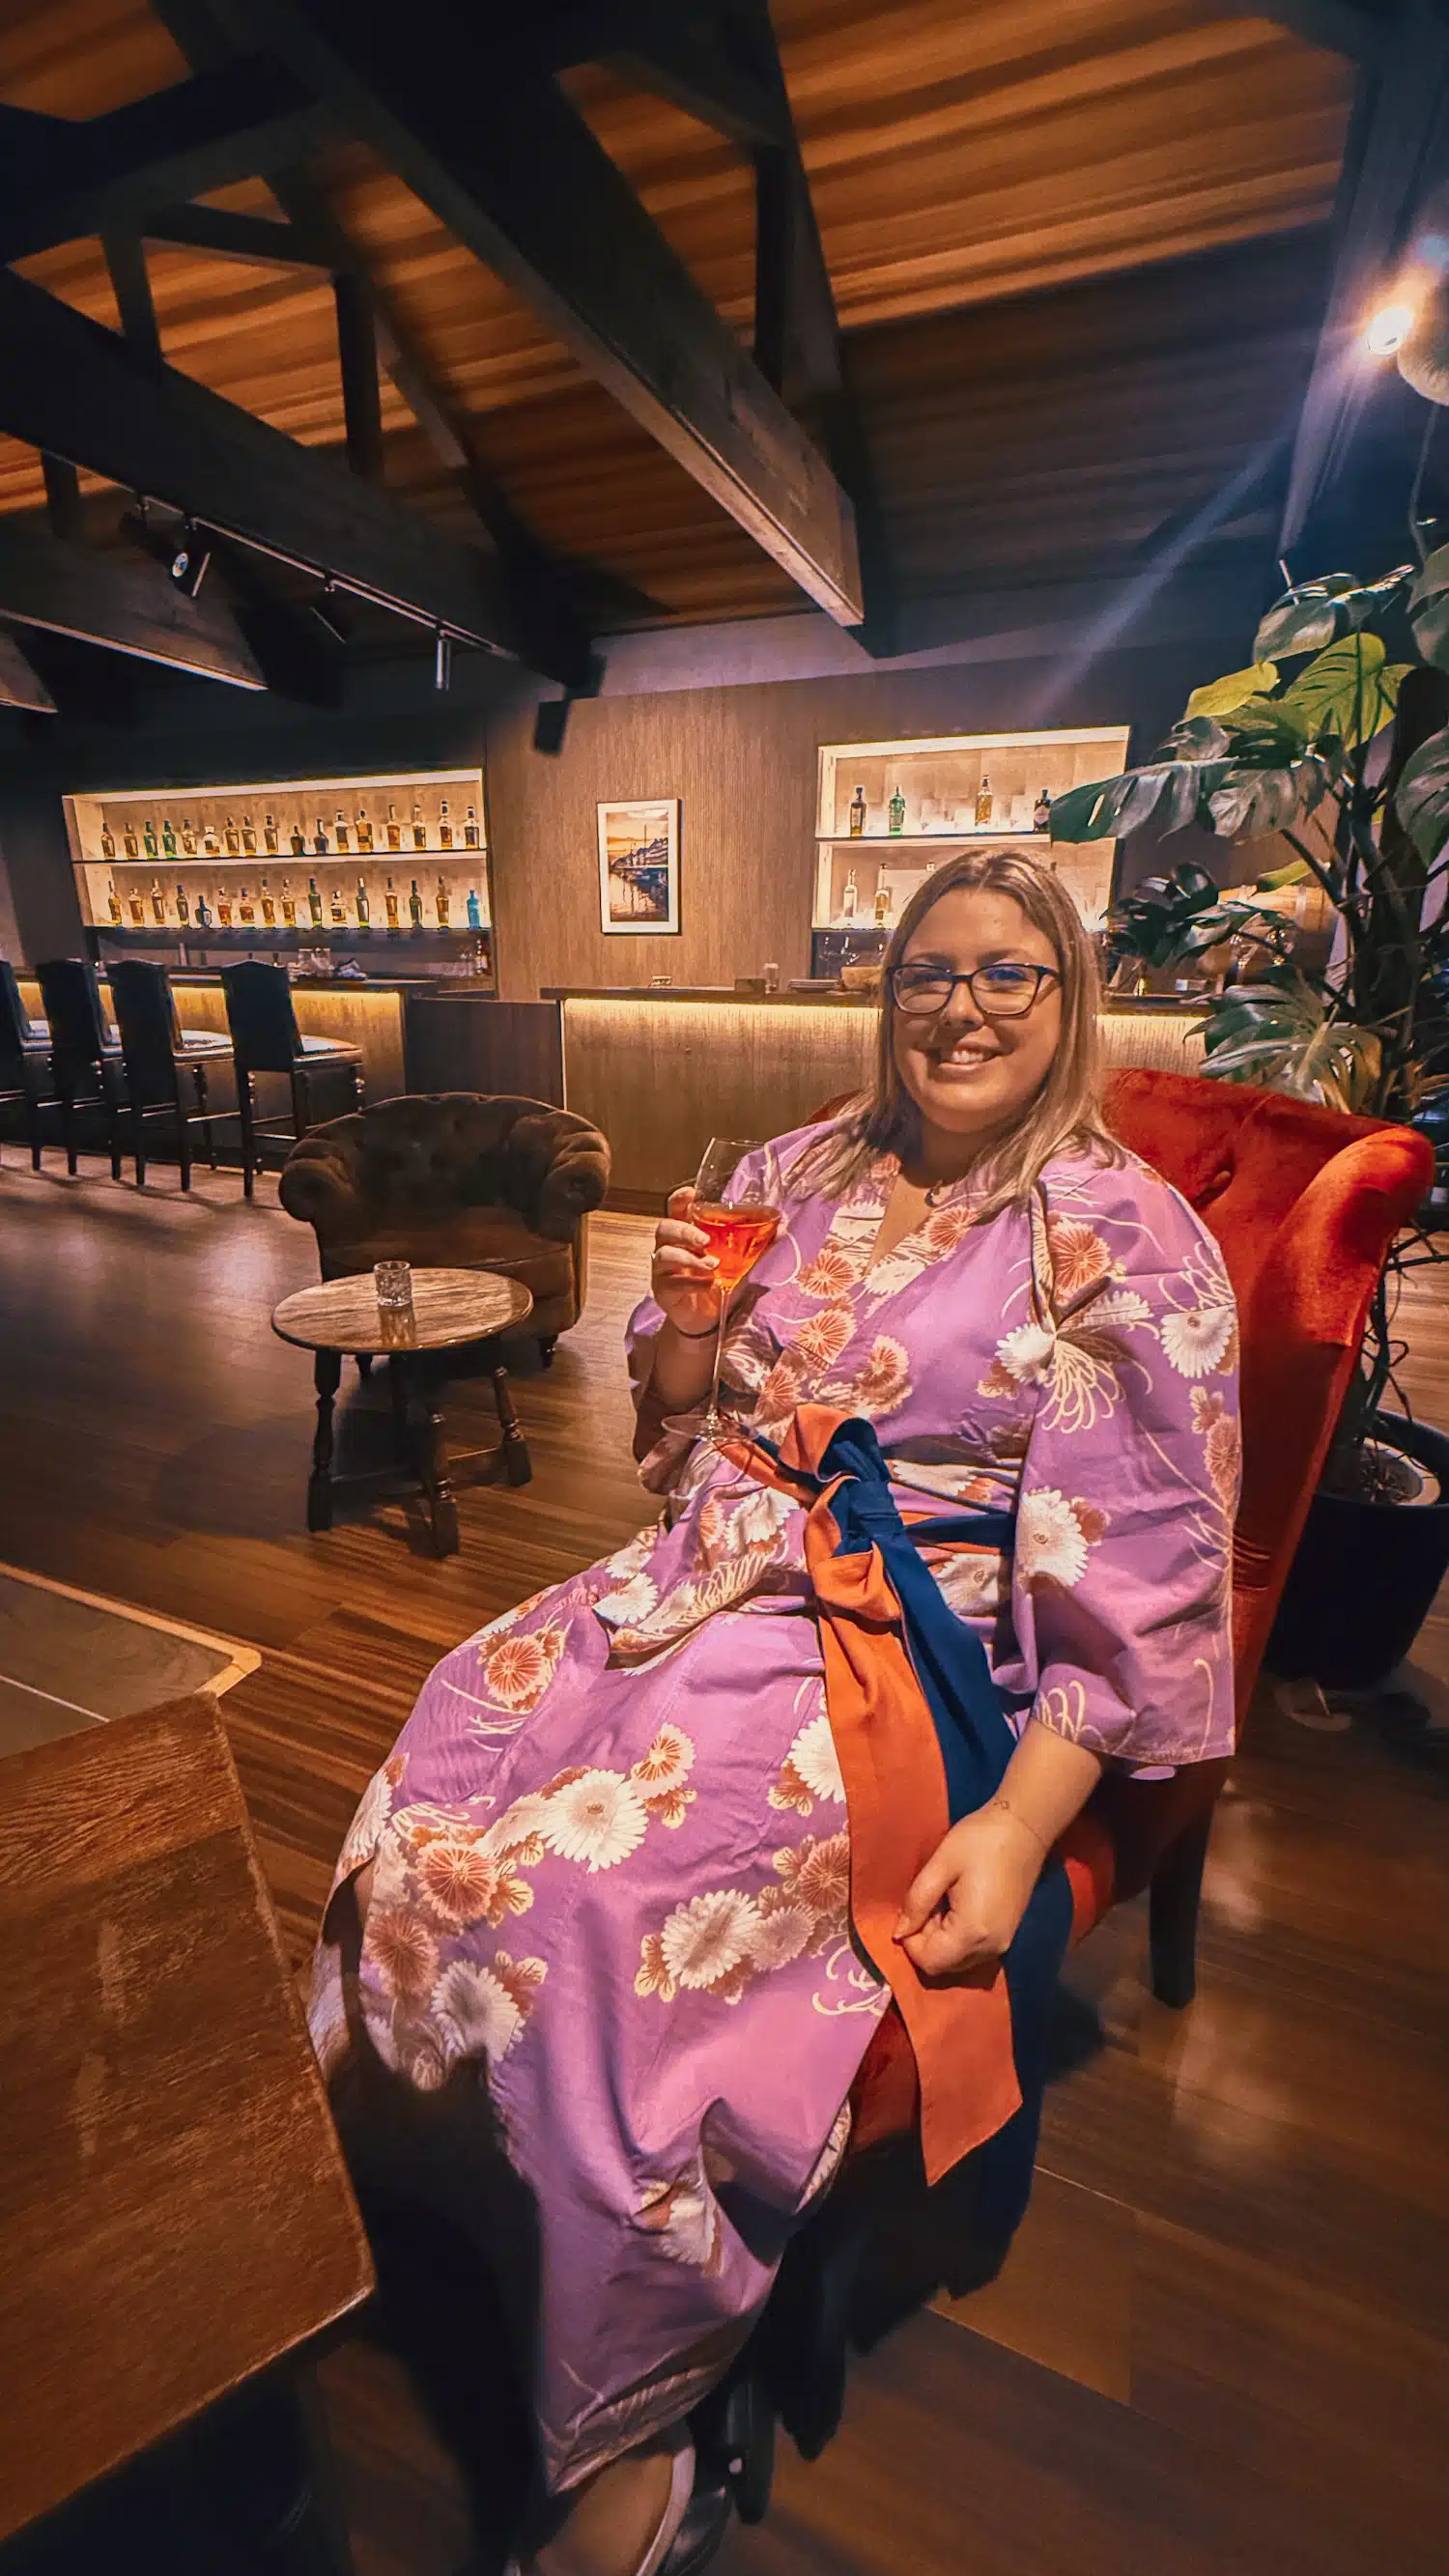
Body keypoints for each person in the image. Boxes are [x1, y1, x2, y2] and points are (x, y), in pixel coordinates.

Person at [308, 849, 1238, 2576]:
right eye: (927, 974)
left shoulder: (1117, 1239)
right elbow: (678, 1427)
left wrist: (1022, 1825)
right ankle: (452, 2200)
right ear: (885, 999)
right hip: (694, 1571)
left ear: (1069, 1000)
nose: (961, 1005)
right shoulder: (797, 1163)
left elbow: (1141, 1577)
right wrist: (678, 1321)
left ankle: (637, 2418)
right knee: (430, 1784)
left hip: (890, 1650)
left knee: (589, 1908)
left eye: (1007, 974)